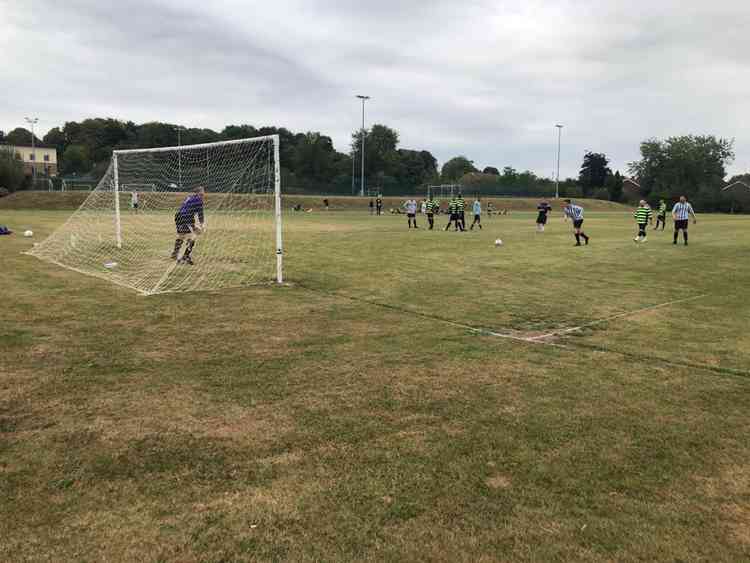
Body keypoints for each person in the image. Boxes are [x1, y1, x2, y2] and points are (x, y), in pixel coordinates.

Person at [171, 186, 206, 265]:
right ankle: (185, 256)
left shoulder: (190, 197)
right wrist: (202, 224)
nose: (204, 193)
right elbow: (200, 214)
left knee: (182, 236)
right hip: (186, 217)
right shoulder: (199, 199)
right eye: (203, 191)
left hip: (178, 216)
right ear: (200, 192)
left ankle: (175, 253)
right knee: (193, 235)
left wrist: (194, 225)